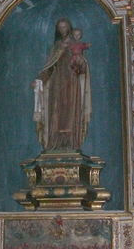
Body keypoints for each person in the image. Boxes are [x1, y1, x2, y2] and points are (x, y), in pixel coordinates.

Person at [31, 18, 92, 151]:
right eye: (60, 27)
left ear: (69, 28)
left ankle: (71, 143)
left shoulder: (75, 45)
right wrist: (39, 80)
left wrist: (81, 63)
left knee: (71, 113)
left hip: (72, 83)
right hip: (56, 84)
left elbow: (82, 67)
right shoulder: (57, 47)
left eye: (65, 27)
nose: (63, 30)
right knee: (56, 113)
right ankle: (55, 143)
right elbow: (49, 67)